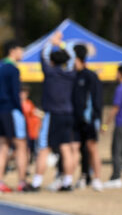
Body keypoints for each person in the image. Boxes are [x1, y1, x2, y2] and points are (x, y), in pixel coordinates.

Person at [32, 31, 79, 192]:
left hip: (52, 114)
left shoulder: (50, 72)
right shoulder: (70, 74)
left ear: (52, 61)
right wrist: (63, 45)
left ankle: (36, 183)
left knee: (44, 148)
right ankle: (67, 182)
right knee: (66, 148)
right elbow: (72, 57)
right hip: (68, 114)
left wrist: (52, 42)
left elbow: (42, 54)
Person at [0, 40, 33, 193]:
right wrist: (20, 111)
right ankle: (22, 181)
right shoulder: (13, 69)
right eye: (21, 50)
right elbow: (16, 94)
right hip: (11, 111)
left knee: (3, 146)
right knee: (21, 145)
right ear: (13, 51)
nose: (22, 53)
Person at [71, 44, 103, 191]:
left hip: (89, 119)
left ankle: (97, 178)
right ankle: (83, 176)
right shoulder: (72, 76)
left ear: (78, 59)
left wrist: (97, 118)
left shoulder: (90, 76)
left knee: (92, 148)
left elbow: (97, 99)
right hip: (76, 121)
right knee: (78, 148)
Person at [104, 64, 122, 188]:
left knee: (117, 150)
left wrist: (105, 125)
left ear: (121, 74)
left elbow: (115, 108)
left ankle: (116, 177)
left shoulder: (121, 89)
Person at [20, 86, 42, 165]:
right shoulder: (18, 104)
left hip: (31, 130)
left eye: (25, 93)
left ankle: (25, 166)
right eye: (22, 92)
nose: (23, 94)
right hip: (21, 130)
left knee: (29, 149)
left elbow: (35, 112)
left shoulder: (29, 103)